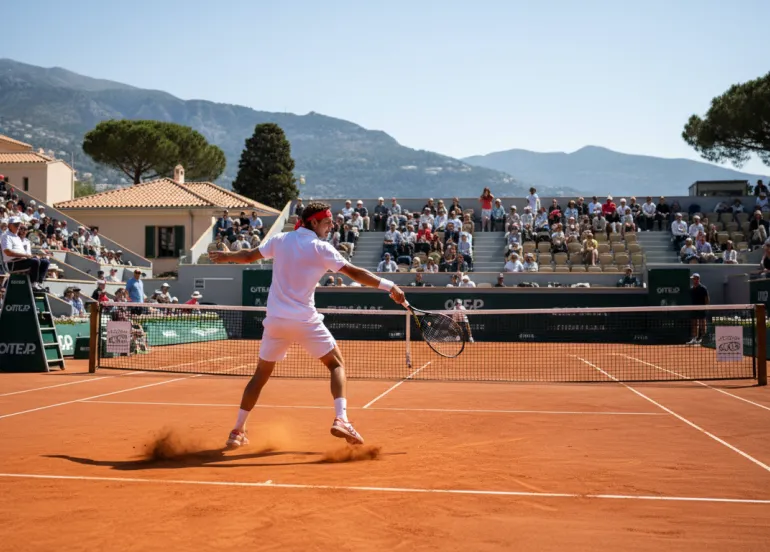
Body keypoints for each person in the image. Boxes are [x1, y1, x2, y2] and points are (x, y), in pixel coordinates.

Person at [210, 201, 406, 448]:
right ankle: (342, 419)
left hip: (276, 321)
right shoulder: (321, 248)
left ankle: (237, 431)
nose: (331, 225)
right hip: (304, 320)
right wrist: (390, 286)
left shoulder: (280, 240)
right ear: (313, 222)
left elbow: (248, 256)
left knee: (260, 375)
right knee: (336, 364)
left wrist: (226, 256)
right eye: (327, 222)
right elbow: (354, 273)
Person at [1, 217, 50, 290]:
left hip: (21, 260)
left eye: (19, 225)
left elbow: (24, 253)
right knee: (35, 261)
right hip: (12, 264)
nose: (18, 227)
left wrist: (30, 256)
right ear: (9, 225)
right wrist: (26, 256)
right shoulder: (6, 235)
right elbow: (8, 252)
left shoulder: (16, 237)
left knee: (45, 262)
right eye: (16, 225)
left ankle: (38, 283)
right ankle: (33, 284)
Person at [688, 273, 709, 345]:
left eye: (695, 278)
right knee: (694, 323)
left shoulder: (703, 288)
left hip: (701, 308)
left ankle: (703, 339)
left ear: (698, 279)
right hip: (693, 308)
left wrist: (705, 307)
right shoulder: (691, 289)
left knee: (702, 324)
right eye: (693, 279)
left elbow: (707, 299)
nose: (694, 280)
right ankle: (694, 338)